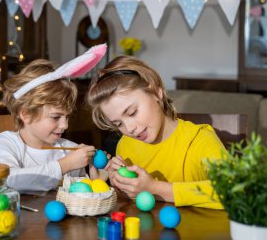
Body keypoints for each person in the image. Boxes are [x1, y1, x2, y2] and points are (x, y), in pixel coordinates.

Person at [86, 56, 225, 209]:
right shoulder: (125, 146)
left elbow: (238, 191)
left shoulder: (199, 140)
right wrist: (120, 185)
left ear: (156, 92)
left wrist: (155, 188)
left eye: (132, 112)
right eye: (118, 124)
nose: (129, 128)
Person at [0, 44, 108, 194]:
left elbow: (78, 192)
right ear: (26, 114)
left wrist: (95, 180)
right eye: (56, 117)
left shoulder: (68, 150)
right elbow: (6, 179)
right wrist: (64, 165)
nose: (65, 125)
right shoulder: (8, 142)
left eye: (67, 117)